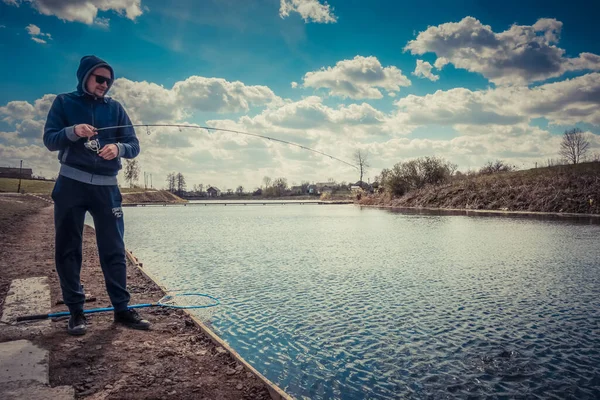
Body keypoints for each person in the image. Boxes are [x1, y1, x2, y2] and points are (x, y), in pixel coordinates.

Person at [43, 55, 150, 335]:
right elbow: (50, 140)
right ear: (85, 77)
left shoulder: (115, 108)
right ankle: (76, 312)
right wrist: (73, 131)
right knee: (68, 248)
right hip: (71, 185)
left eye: (108, 80)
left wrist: (118, 149)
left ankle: (122, 310)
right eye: (99, 78)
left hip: (107, 188)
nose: (105, 84)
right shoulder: (64, 103)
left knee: (114, 249)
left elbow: (133, 144)